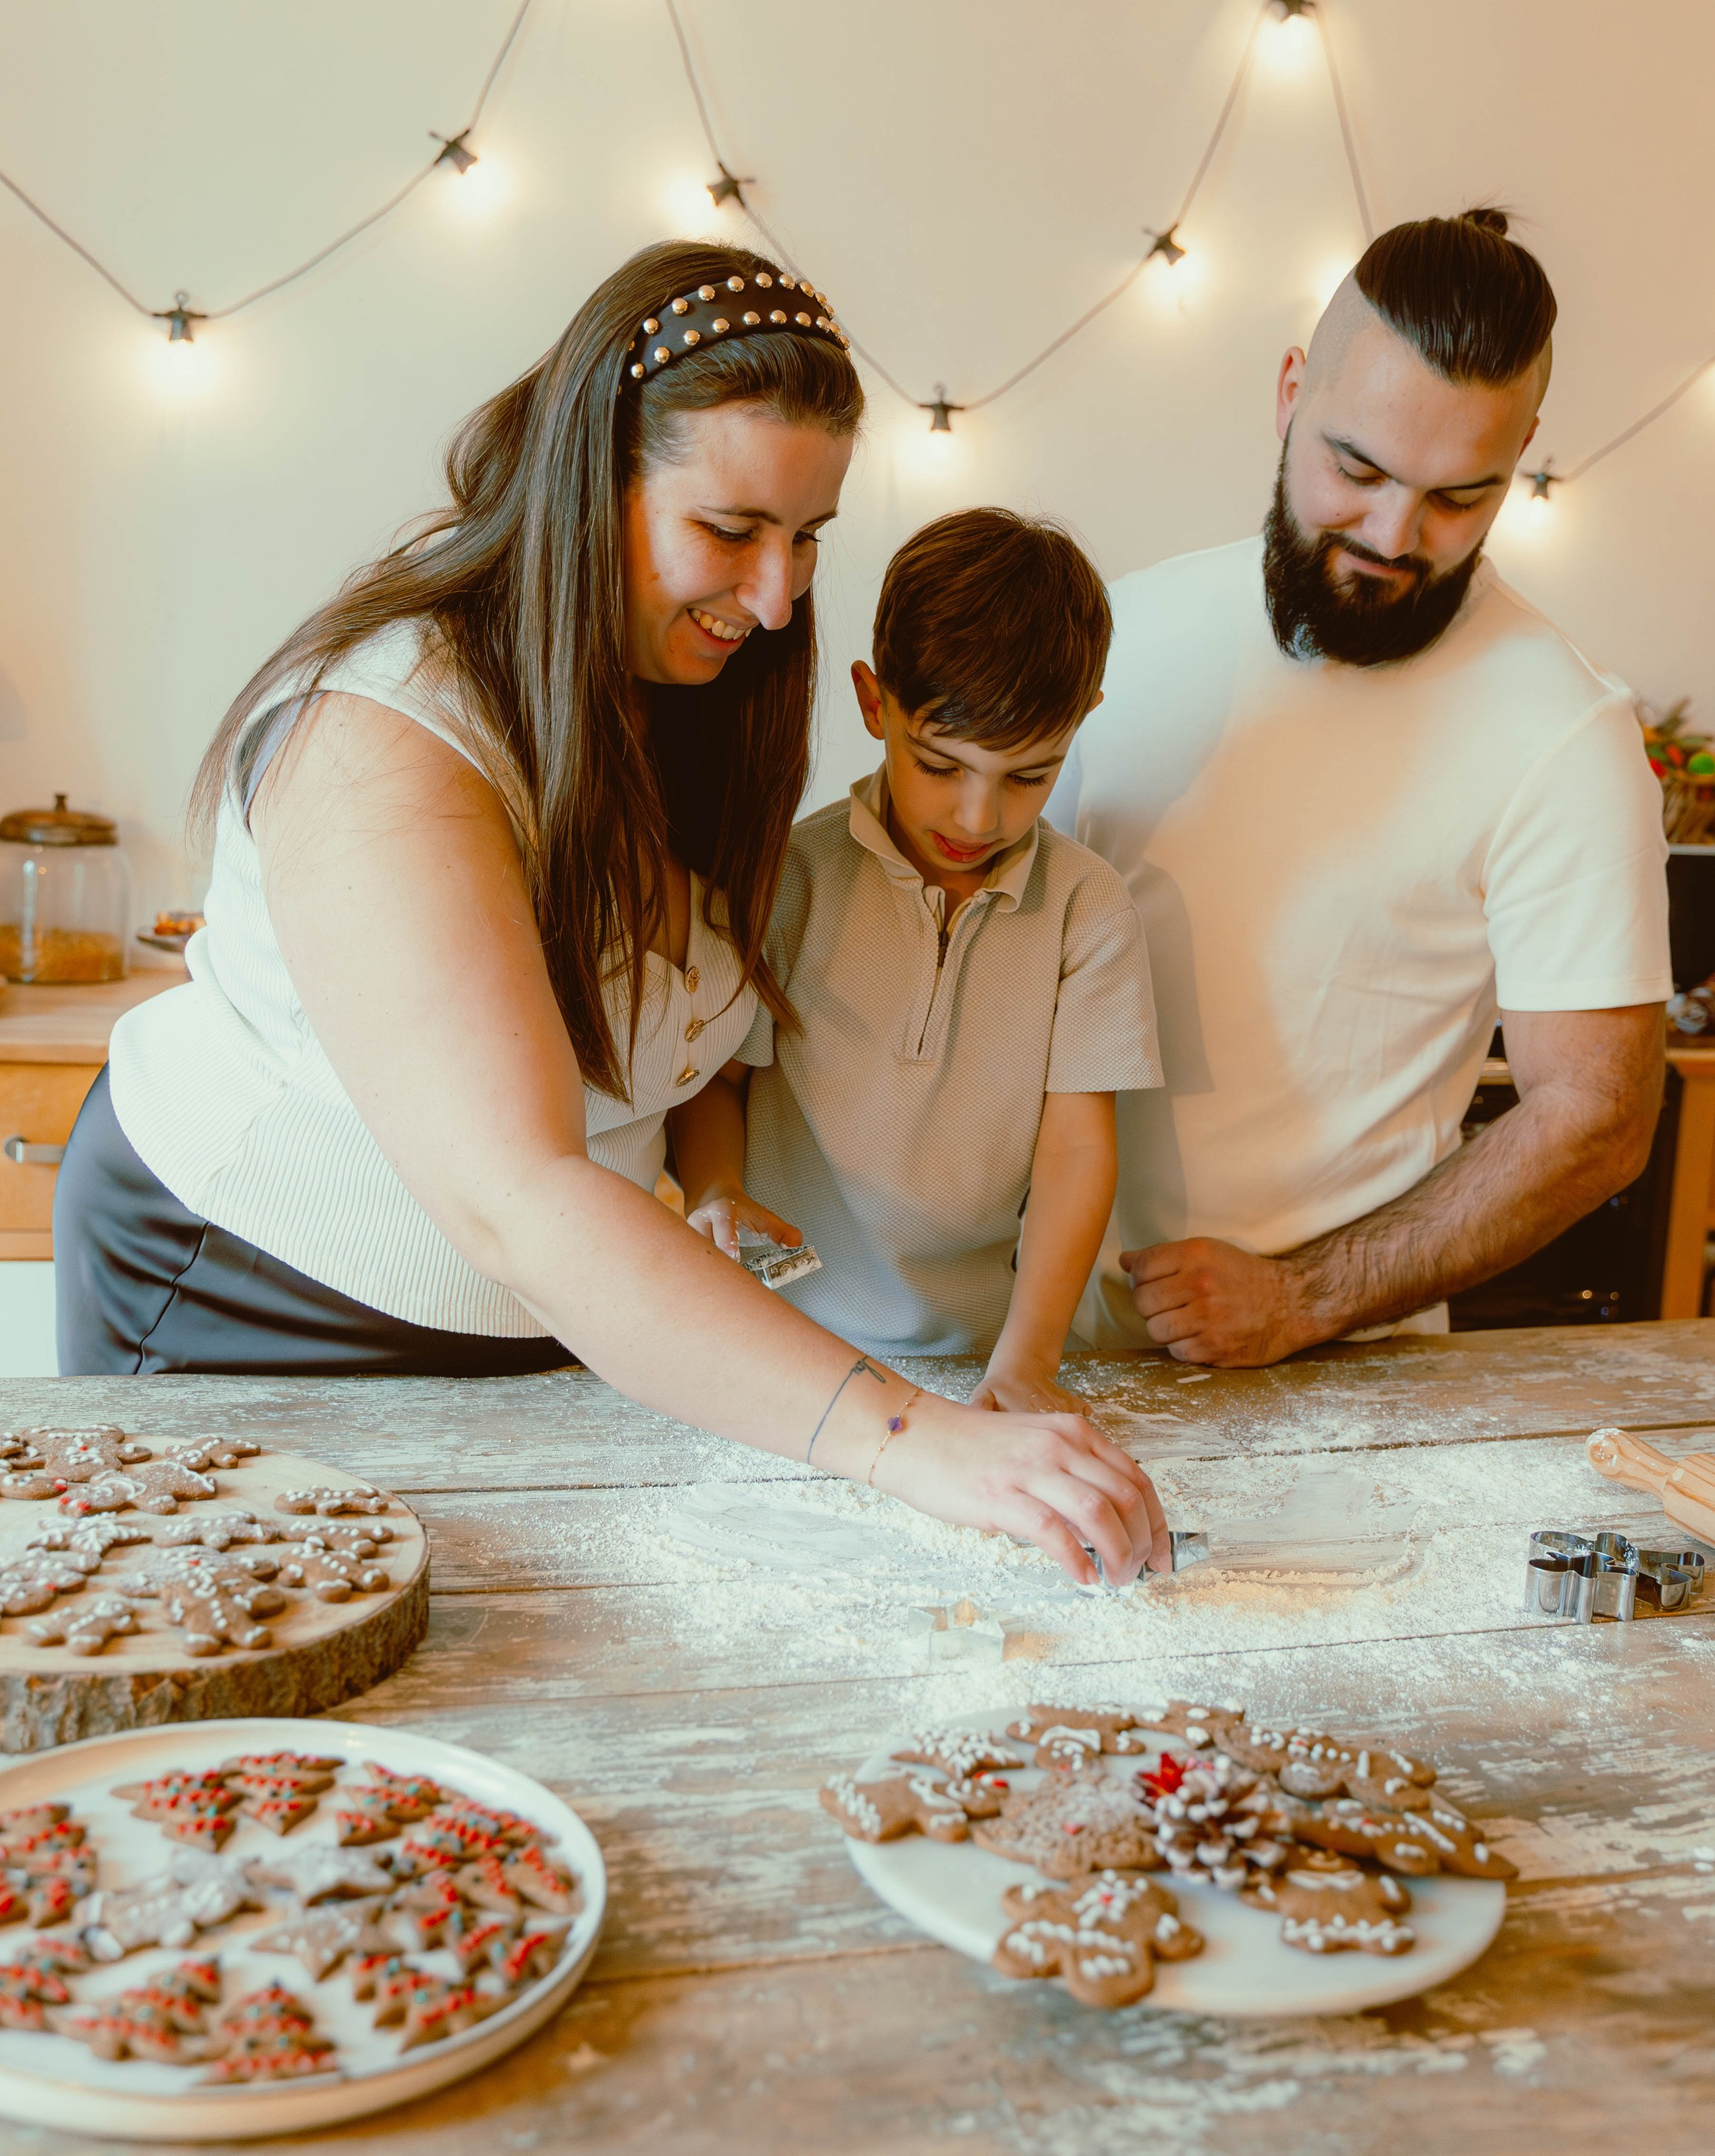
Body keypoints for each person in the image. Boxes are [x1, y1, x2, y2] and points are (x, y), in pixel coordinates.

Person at [56, 245, 1167, 1588]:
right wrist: (913, 1439)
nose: (779, 599)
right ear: (594, 480)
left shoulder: (697, 692)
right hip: (255, 1314)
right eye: (732, 531)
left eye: (807, 537)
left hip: (559, 1336)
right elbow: (521, 1194)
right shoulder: (384, 735)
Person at [1049, 208, 1671, 1364]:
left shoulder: (1565, 732)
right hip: (1032, 1348)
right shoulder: (1118, 631)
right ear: (1292, 392)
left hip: (1335, 1374)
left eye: (1459, 497)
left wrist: (1306, 1296)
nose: (1393, 533)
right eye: (1358, 468)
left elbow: (1599, 1118)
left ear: (1523, 453)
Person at [668, 508, 1163, 1410]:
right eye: (939, 765)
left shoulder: (1087, 912)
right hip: (777, 1344)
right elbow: (716, 1083)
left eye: (1028, 776)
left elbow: (1075, 1152)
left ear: (1082, 722)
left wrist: (1027, 1362)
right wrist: (714, 1185)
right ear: (874, 703)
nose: (977, 817)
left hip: (979, 1359)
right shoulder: (786, 877)